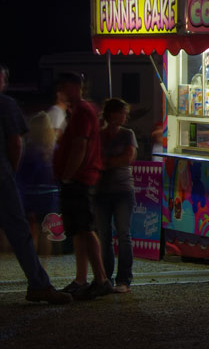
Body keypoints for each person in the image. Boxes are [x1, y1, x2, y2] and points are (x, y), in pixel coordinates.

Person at [0, 65, 71, 304]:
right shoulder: (6, 104)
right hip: (2, 176)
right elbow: (15, 142)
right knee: (19, 232)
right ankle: (39, 284)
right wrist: (10, 170)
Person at [52, 72, 114, 300]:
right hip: (78, 177)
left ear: (75, 87)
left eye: (64, 87)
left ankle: (101, 279)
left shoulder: (83, 112)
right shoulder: (80, 111)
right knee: (78, 229)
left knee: (86, 228)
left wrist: (68, 174)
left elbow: (80, 146)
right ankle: (81, 279)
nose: (61, 92)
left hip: (80, 178)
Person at [95, 98, 137, 293]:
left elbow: (128, 158)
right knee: (104, 236)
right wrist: (112, 162)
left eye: (124, 113)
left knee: (123, 234)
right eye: (120, 112)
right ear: (111, 114)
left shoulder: (128, 134)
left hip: (122, 190)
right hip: (102, 190)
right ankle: (105, 278)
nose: (123, 117)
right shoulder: (99, 135)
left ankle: (124, 279)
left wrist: (107, 163)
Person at [16, 112, 60, 261]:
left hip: (30, 194)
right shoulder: (54, 148)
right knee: (46, 233)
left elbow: (20, 173)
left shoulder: (28, 148)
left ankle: (33, 270)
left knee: (31, 232)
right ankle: (45, 269)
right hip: (50, 194)